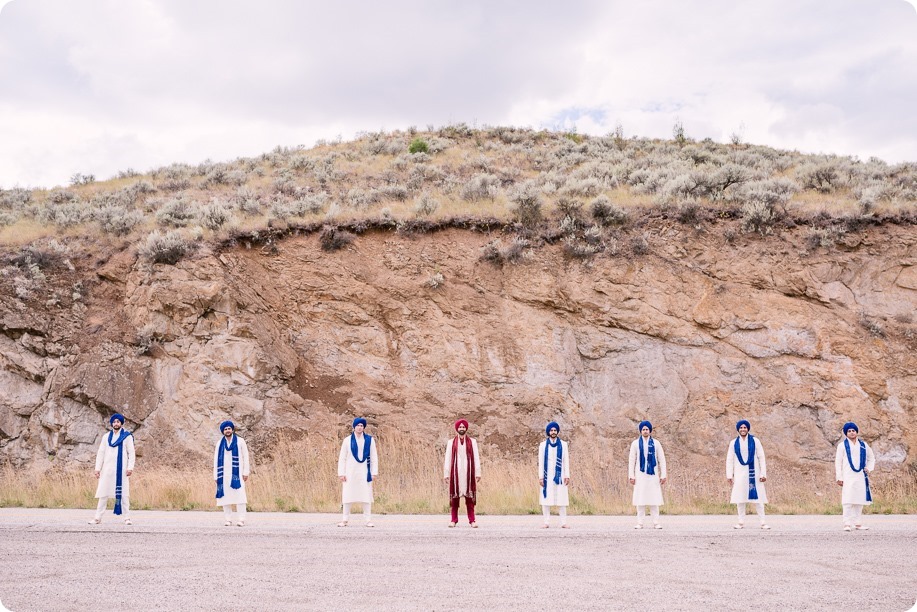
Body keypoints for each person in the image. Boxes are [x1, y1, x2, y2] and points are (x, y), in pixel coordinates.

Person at [88, 413, 135, 525]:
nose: (116, 423)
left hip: (121, 471)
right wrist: (97, 468)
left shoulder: (127, 436)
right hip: (107, 470)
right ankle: (97, 518)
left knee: (124, 494)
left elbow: (131, 453)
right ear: (112, 424)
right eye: (114, 422)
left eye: (118, 422)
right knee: (103, 494)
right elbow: (101, 453)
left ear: (121, 423)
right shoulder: (106, 437)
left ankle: (127, 518)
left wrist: (130, 468)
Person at [726, 419, 770, 530]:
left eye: (745, 427)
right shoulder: (733, 443)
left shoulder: (755, 441)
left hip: (754, 474)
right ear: (738, 429)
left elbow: (761, 457)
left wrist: (763, 473)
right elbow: (730, 459)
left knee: (758, 499)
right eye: (741, 427)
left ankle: (763, 522)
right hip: (739, 474)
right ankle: (740, 522)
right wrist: (729, 475)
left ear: (748, 429)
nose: (743, 429)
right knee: (740, 499)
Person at [337, 417, 379, 527]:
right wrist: (341, 473)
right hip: (350, 472)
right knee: (347, 496)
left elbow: (374, 457)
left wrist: (374, 472)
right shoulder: (347, 440)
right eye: (358, 425)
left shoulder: (369, 440)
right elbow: (342, 458)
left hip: (365, 472)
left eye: (361, 426)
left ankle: (368, 520)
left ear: (364, 427)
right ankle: (345, 519)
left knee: (366, 496)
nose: (360, 427)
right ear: (354, 427)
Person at [835, 422, 875, 531]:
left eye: (853, 430)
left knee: (859, 499)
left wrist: (869, 468)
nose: (852, 432)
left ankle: (858, 523)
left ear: (856, 432)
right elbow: (838, 462)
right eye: (849, 431)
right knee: (848, 500)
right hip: (848, 476)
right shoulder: (842, 446)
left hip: (860, 476)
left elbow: (871, 458)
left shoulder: (863, 445)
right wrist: (839, 477)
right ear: (846, 433)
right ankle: (847, 523)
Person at [628, 420, 667, 529]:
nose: (645, 431)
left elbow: (662, 460)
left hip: (653, 475)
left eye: (647, 429)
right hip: (640, 475)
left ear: (650, 430)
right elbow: (632, 460)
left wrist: (663, 475)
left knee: (654, 499)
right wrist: (631, 476)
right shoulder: (635, 443)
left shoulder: (656, 443)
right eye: (643, 429)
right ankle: (640, 523)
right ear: (640, 431)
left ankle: (656, 522)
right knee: (640, 499)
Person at [443, 419, 481, 528]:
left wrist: (478, 473)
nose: (462, 429)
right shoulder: (451, 442)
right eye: (460, 427)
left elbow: (476, 458)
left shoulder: (472, 442)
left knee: (469, 497)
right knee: (455, 497)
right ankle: (453, 520)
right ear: (457, 429)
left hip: (468, 473)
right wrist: (446, 474)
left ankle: (472, 520)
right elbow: (448, 458)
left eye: (463, 427)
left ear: (466, 429)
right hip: (456, 473)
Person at [214, 420, 250, 527]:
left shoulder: (240, 441)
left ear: (232, 429)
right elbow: (216, 460)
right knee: (225, 498)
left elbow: (245, 457)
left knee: (240, 497)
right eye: (225, 429)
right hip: (223, 475)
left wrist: (246, 472)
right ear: (223, 431)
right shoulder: (219, 443)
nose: (227, 430)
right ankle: (228, 519)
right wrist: (215, 475)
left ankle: (241, 519)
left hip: (237, 475)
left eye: (229, 428)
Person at [538, 421, 570, 528]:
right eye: (551, 430)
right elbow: (541, 462)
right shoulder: (542, 445)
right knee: (546, 500)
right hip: (547, 476)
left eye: (555, 430)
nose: (553, 432)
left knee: (562, 500)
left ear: (557, 432)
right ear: (548, 432)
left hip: (560, 475)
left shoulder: (564, 445)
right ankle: (546, 522)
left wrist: (567, 475)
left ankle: (563, 522)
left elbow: (566, 461)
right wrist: (541, 477)